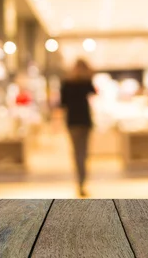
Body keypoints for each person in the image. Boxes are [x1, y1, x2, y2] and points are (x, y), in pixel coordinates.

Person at [59, 59, 96, 197]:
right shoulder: (86, 82)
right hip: (85, 121)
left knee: (77, 153)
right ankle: (82, 182)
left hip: (73, 121)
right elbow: (94, 92)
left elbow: (62, 103)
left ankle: (80, 182)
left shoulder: (67, 83)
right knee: (84, 153)